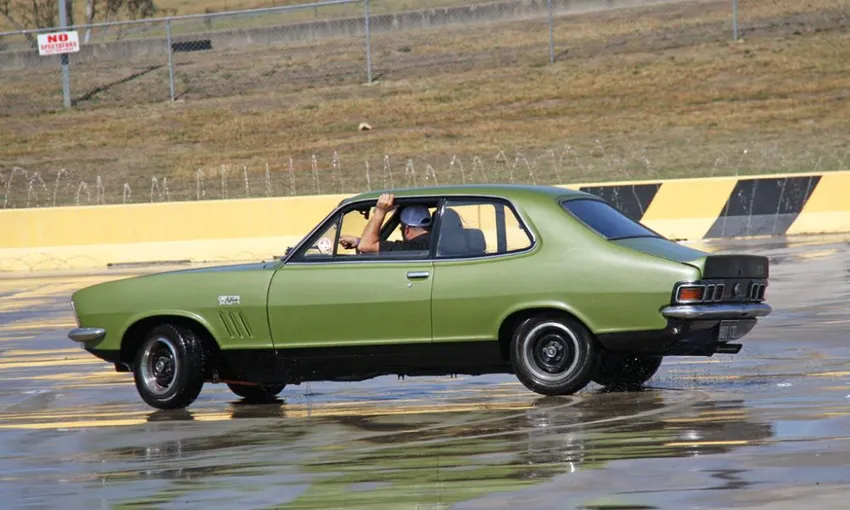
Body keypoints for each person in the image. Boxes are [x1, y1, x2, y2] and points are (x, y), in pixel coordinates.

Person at [339, 193, 432, 254]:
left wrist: (380, 211)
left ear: (406, 230)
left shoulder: (409, 248)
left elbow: (365, 246)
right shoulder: (434, 242)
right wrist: (358, 241)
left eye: (401, 228)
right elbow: (368, 245)